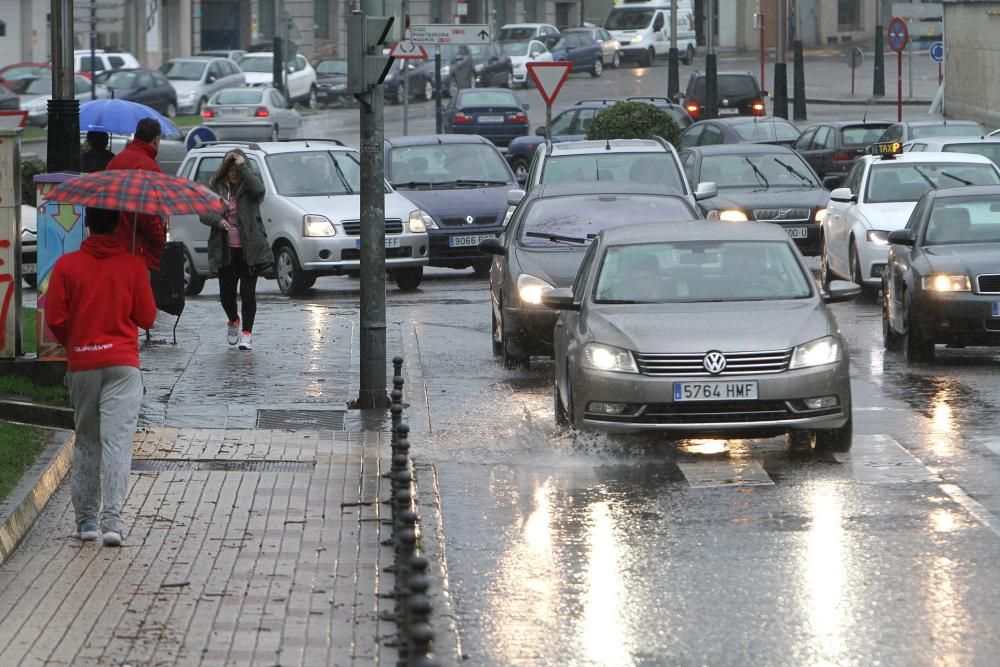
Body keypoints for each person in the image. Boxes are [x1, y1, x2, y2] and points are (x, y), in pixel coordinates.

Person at [45, 207, 157, 547]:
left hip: (83, 364)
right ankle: (113, 522)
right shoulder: (133, 265)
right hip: (123, 365)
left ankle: (86, 522)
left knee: (88, 439)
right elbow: (148, 318)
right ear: (119, 225)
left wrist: (78, 344)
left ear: (87, 224)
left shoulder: (66, 266)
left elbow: (55, 318)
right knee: (118, 443)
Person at [199, 149, 272, 350]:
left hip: (249, 250)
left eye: (238, 169)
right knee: (226, 295)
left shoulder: (250, 187)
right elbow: (203, 213)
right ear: (224, 170)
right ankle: (233, 320)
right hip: (225, 250)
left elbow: (260, 191)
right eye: (231, 169)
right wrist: (218, 220)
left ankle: (247, 335)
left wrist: (244, 168)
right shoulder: (216, 188)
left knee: (248, 294)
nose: (234, 174)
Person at [105, 117, 166, 271]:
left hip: (112, 248)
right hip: (138, 251)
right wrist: (160, 240)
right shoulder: (150, 168)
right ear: (157, 140)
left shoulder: (114, 163)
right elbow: (149, 215)